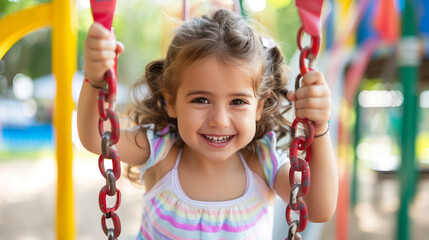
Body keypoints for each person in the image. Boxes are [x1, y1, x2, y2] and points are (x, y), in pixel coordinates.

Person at [78, 8, 338, 239]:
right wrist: (95, 77)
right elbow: (95, 137)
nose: (219, 120)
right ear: (171, 102)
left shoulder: (262, 163)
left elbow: (318, 209)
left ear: (259, 106)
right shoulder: (162, 151)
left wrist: (319, 127)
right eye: (201, 99)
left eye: (237, 102)